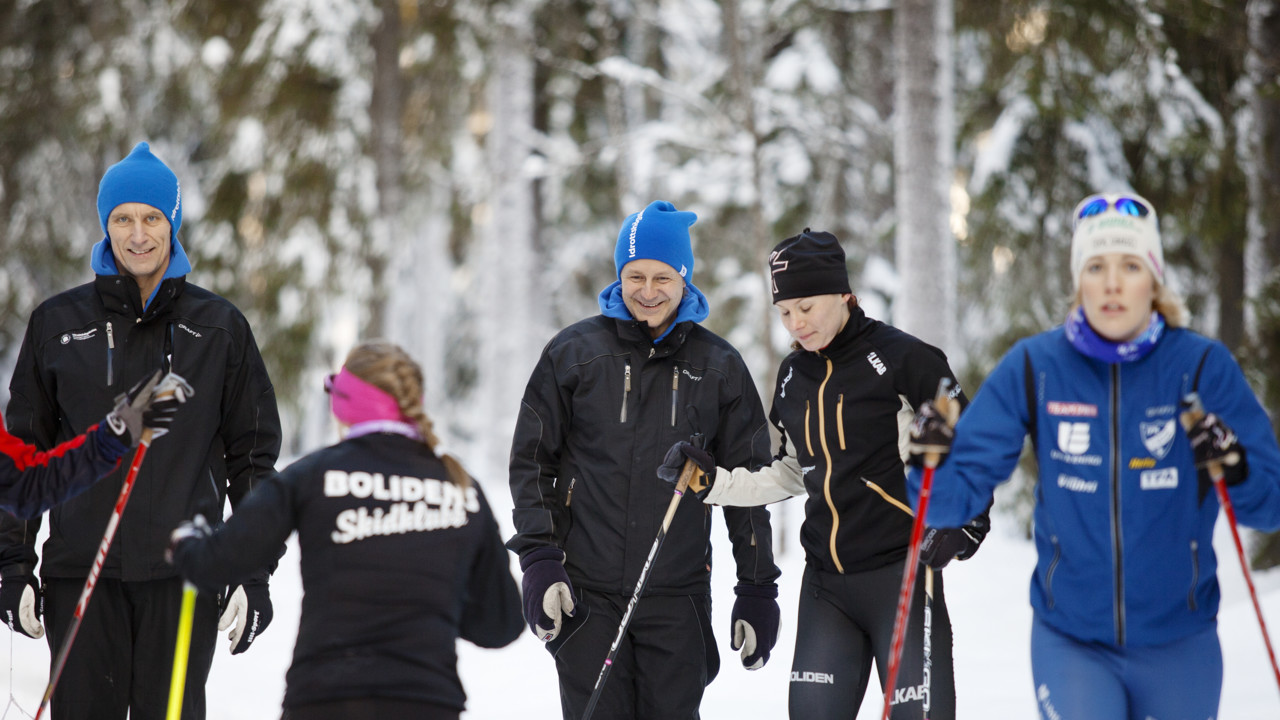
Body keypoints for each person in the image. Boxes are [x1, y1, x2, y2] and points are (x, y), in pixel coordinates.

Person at [905, 192, 1280, 720]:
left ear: (1154, 279)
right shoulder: (1036, 366)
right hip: (1072, 642)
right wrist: (928, 463)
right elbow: (948, 502)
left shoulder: (1200, 367)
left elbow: (1270, 505)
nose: (1112, 283)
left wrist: (1235, 469)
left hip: (1180, 641)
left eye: (1130, 266)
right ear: (1079, 278)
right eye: (1096, 267)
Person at [0, 141, 283, 720]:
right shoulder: (57, 325)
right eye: (122, 218)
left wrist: (252, 570)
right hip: (81, 577)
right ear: (105, 225)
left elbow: (252, 459)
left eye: (151, 218)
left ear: (172, 223)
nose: (137, 235)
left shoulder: (220, 329)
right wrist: (12, 564)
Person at [660, 229, 988, 719]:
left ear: (842, 294)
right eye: (784, 312)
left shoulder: (906, 359)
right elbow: (793, 470)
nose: (796, 323)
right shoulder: (794, 376)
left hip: (900, 575)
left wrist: (968, 524)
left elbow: (973, 446)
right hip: (826, 588)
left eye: (806, 307)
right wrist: (715, 484)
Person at [507, 200, 782, 719]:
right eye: (635, 276)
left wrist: (756, 587)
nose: (648, 291)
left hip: (678, 598)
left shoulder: (719, 367)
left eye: (663, 277)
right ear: (619, 275)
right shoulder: (574, 353)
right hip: (585, 596)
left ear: (684, 278)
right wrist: (539, 559)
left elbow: (748, 486)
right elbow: (532, 463)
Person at [169, 341, 523, 720]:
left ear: (343, 404)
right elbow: (500, 625)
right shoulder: (461, 488)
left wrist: (186, 539)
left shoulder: (314, 475)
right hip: (425, 699)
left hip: (325, 697)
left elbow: (215, 561)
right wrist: (434, 604)